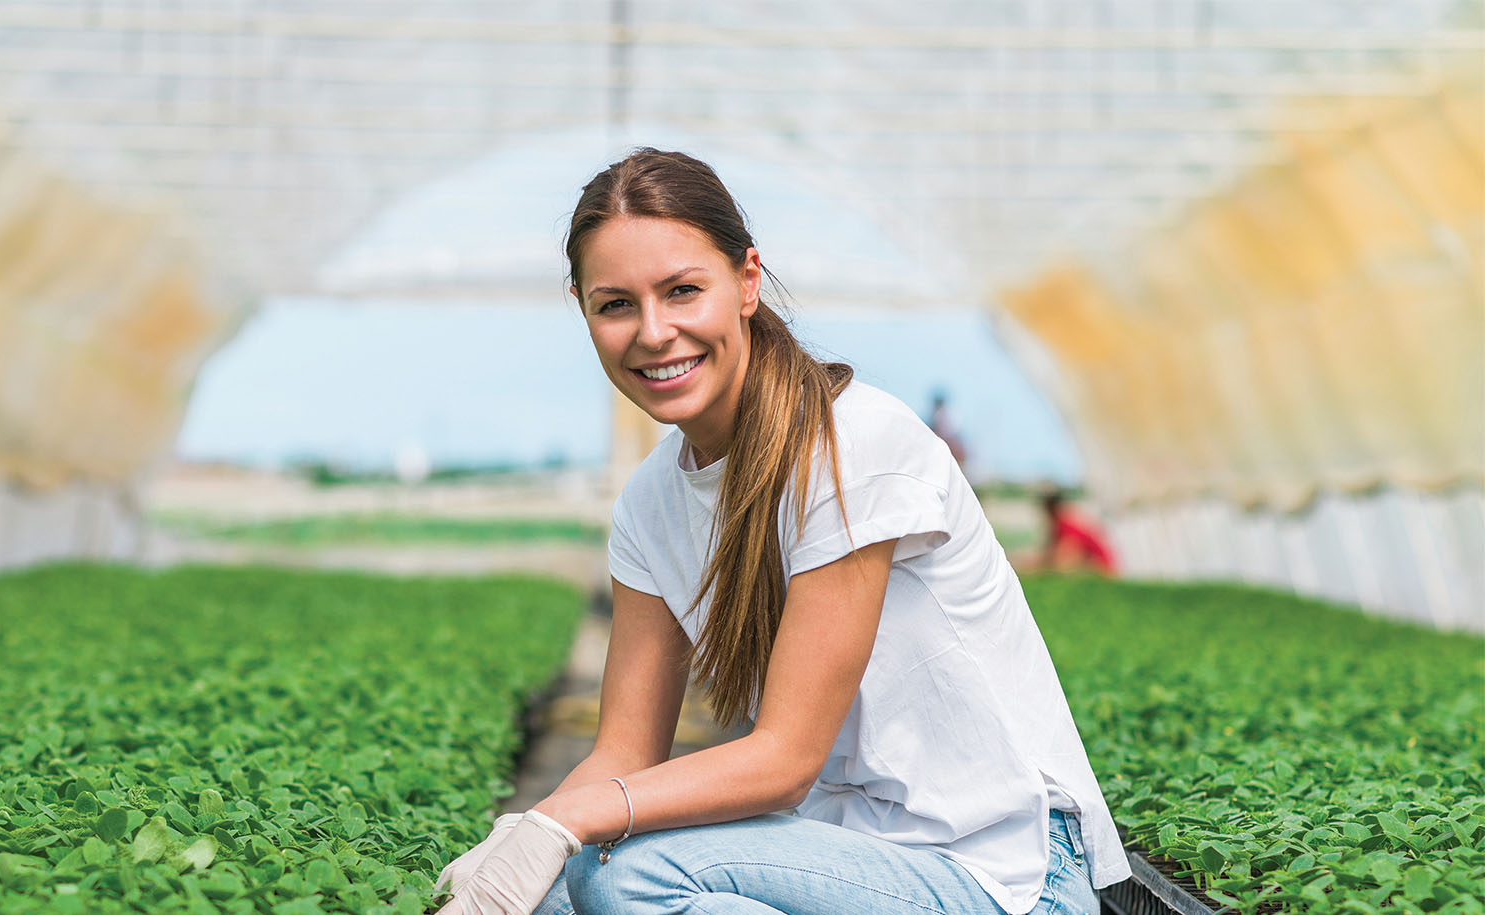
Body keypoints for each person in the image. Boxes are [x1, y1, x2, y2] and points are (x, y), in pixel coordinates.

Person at [431, 149, 1130, 915]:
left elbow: (786, 760)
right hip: (842, 860)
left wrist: (561, 819)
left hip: (1004, 875)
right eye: (616, 304)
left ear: (747, 281)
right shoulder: (648, 506)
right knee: (554, 896)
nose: (654, 332)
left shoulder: (852, 446)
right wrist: (516, 843)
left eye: (682, 291)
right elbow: (625, 754)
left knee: (623, 874)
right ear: (584, 310)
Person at [1039, 489, 1119, 576]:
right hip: (1094, 562)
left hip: (1101, 565)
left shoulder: (1065, 525)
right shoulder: (1060, 524)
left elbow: (1068, 553)